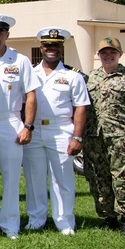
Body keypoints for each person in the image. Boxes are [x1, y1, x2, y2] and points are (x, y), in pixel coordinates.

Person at [21, 28, 90, 236]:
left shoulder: (72, 76)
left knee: (63, 178)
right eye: (47, 45)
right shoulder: (30, 73)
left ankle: (64, 221)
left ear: (62, 48)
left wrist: (77, 137)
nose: (51, 49)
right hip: (34, 129)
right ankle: (36, 219)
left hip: (61, 130)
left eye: (56, 45)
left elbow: (81, 108)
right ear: (41, 48)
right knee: (34, 177)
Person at [0, 14, 39, 239]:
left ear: (7, 34)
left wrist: (28, 127)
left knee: (12, 176)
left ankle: (11, 223)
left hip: (9, 122)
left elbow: (31, 95)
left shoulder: (20, 61)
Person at [83, 37, 125, 237]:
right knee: (98, 180)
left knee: (124, 181)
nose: (108, 55)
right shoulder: (90, 78)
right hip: (95, 139)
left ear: (120, 54)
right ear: (98, 56)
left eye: (112, 52)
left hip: (123, 139)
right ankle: (108, 218)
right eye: (104, 52)